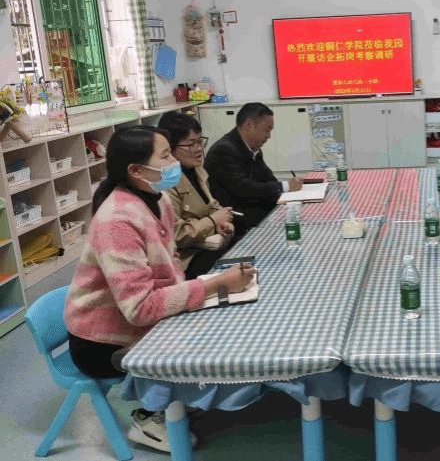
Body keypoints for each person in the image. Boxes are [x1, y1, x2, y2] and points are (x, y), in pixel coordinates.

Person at [64, 126, 255, 453]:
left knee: (222, 320)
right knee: (210, 335)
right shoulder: (117, 220)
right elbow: (139, 309)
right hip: (103, 343)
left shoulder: (159, 199)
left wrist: (200, 293)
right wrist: (214, 285)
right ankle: (150, 415)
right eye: (165, 156)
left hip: (142, 319)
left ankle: (179, 399)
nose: (174, 163)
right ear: (136, 171)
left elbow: (170, 263)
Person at [157, 111, 235, 279]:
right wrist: (212, 221)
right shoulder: (166, 182)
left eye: (200, 141)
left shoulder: (196, 169)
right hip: (187, 259)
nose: (199, 149)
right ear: (170, 148)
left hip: (208, 244)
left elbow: (212, 205)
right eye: (192, 144)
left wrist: (223, 221)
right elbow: (176, 234)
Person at [204, 103, 303, 234]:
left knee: (297, 214)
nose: (269, 136)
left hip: (255, 209)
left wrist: (285, 188)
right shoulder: (224, 150)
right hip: (237, 219)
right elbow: (245, 188)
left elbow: (269, 179)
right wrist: (285, 186)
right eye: (267, 130)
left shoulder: (252, 148)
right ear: (249, 125)